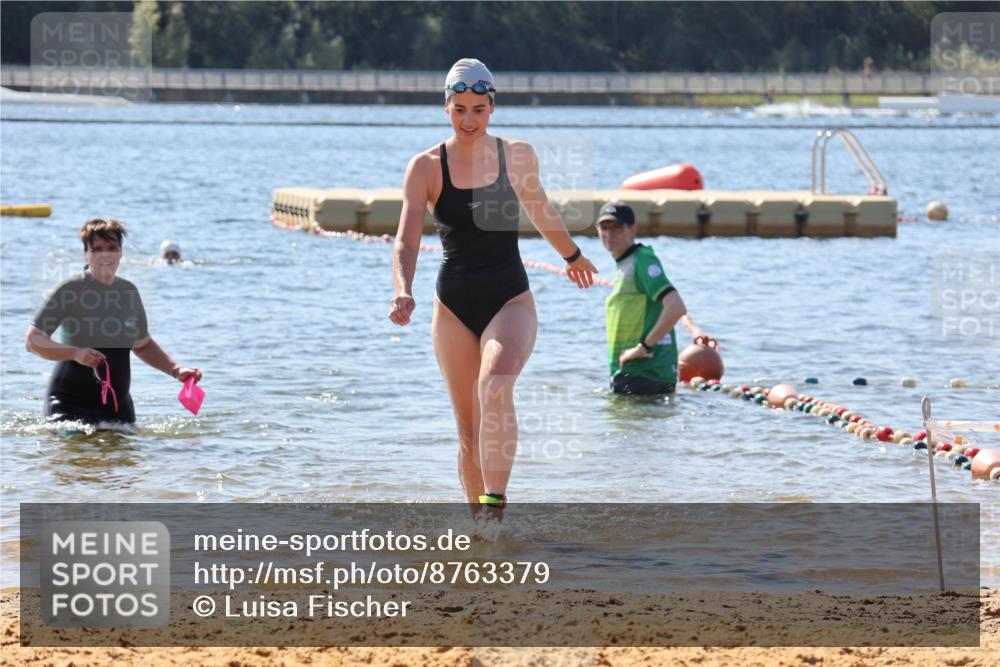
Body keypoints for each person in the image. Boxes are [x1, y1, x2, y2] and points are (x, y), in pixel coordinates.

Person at [388, 58, 597, 517]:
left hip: (509, 298)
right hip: (453, 305)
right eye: (459, 108)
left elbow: (541, 211)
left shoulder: (515, 155)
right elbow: (406, 237)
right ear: (446, 107)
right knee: (468, 429)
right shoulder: (424, 167)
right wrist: (403, 289)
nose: (468, 119)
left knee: (495, 384)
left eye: (478, 109)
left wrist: (573, 257)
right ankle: (479, 531)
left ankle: (495, 506)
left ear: (492, 108)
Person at [25, 218, 201, 425]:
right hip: (68, 404)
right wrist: (75, 353)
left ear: (120, 252)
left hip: (118, 406)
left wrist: (175, 370)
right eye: (97, 249)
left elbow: (142, 344)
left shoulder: (129, 292)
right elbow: (33, 340)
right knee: (78, 455)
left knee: (127, 457)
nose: (105, 254)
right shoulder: (71, 290)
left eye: (111, 247)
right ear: (86, 254)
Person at [597, 202, 707, 396]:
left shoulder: (642, 260)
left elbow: (676, 306)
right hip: (637, 374)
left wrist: (642, 348)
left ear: (632, 229)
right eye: (604, 228)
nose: (610, 234)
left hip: (644, 374)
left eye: (616, 228)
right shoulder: (625, 264)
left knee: (619, 425)